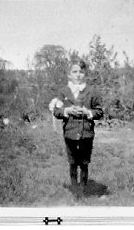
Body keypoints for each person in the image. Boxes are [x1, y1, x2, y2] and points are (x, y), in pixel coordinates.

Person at [53, 61, 103, 197]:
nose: (78, 75)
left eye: (81, 72)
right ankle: (75, 190)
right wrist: (67, 110)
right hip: (70, 132)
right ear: (69, 75)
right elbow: (56, 111)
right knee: (73, 161)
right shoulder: (63, 92)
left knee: (85, 162)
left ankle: (83, 189)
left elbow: (99, 112)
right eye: (74, 72)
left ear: (85, 74)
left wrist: (88, 113)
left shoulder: (92, 92)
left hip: (86, 132)